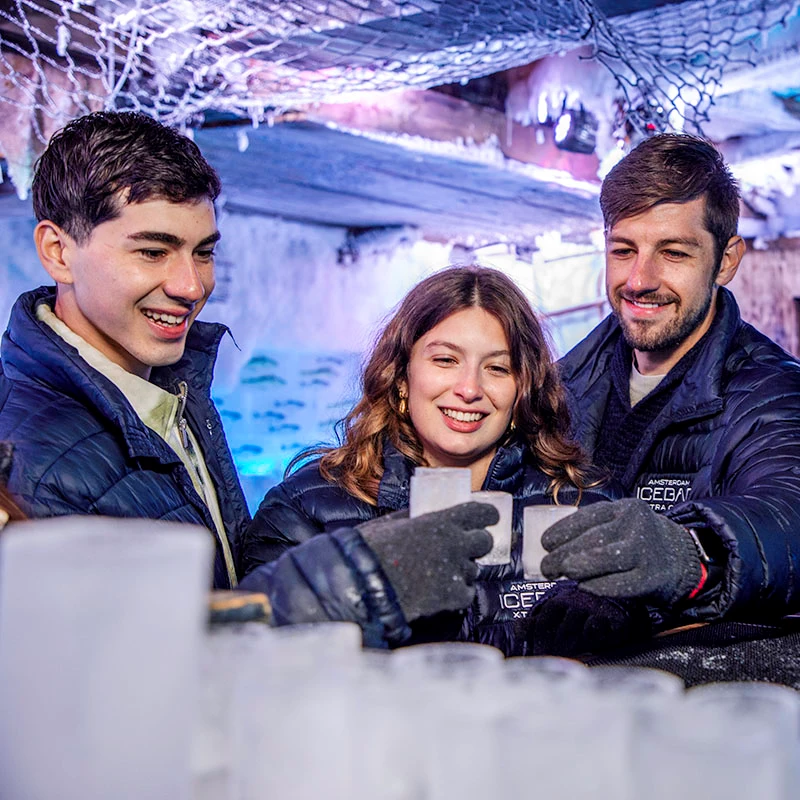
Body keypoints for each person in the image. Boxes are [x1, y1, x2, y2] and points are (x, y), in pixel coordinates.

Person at [0, 111, 498, 648]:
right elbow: (92, 681)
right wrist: (324, 586)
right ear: (58, 252)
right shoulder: (25, 458)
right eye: (152, 251)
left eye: (204, 252)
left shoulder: (171, 393)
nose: (191, 285)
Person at [242, 265, 623, 653]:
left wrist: (630, 605)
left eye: (496, 368)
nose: (469, 388)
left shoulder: (584, 503)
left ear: (522, 389)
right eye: (445, 360)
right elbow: (252, 653)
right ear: (402, 376)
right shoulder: (307, 508)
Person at [539, 133, 800, 634]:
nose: (640, 279)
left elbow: (788, 511)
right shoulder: (558, 386)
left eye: (674, 253)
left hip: (691, 695)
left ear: (725, 260)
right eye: (623, 250)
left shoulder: (772, 396)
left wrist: (685, 555)